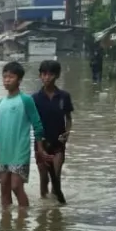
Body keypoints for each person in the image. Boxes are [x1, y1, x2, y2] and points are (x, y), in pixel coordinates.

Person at [0, 61, 47, 210]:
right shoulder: (1, 103)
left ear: (19, 80)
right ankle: (6, 222)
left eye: (11, 77)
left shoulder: (26, 100)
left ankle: (23, 220)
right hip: (4, 152)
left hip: (20, 150)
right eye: (4, 77)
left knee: (16, 186)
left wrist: (41, 150)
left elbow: (37, 126)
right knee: (4, 186)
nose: (7, 80)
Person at [33, 59, 75, 204]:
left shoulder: (64, 96)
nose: (46, 77)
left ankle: (55, 209)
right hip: (41, 144)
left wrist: (67, 133)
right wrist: (39, 146)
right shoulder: (35, 98)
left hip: (58, 144)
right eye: (44, 74)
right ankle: (44, 207)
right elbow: (33, 123)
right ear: (40, 76)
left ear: (57, 76)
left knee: (55, 177)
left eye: (50, 74)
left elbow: (68, 119)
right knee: (44, 179)